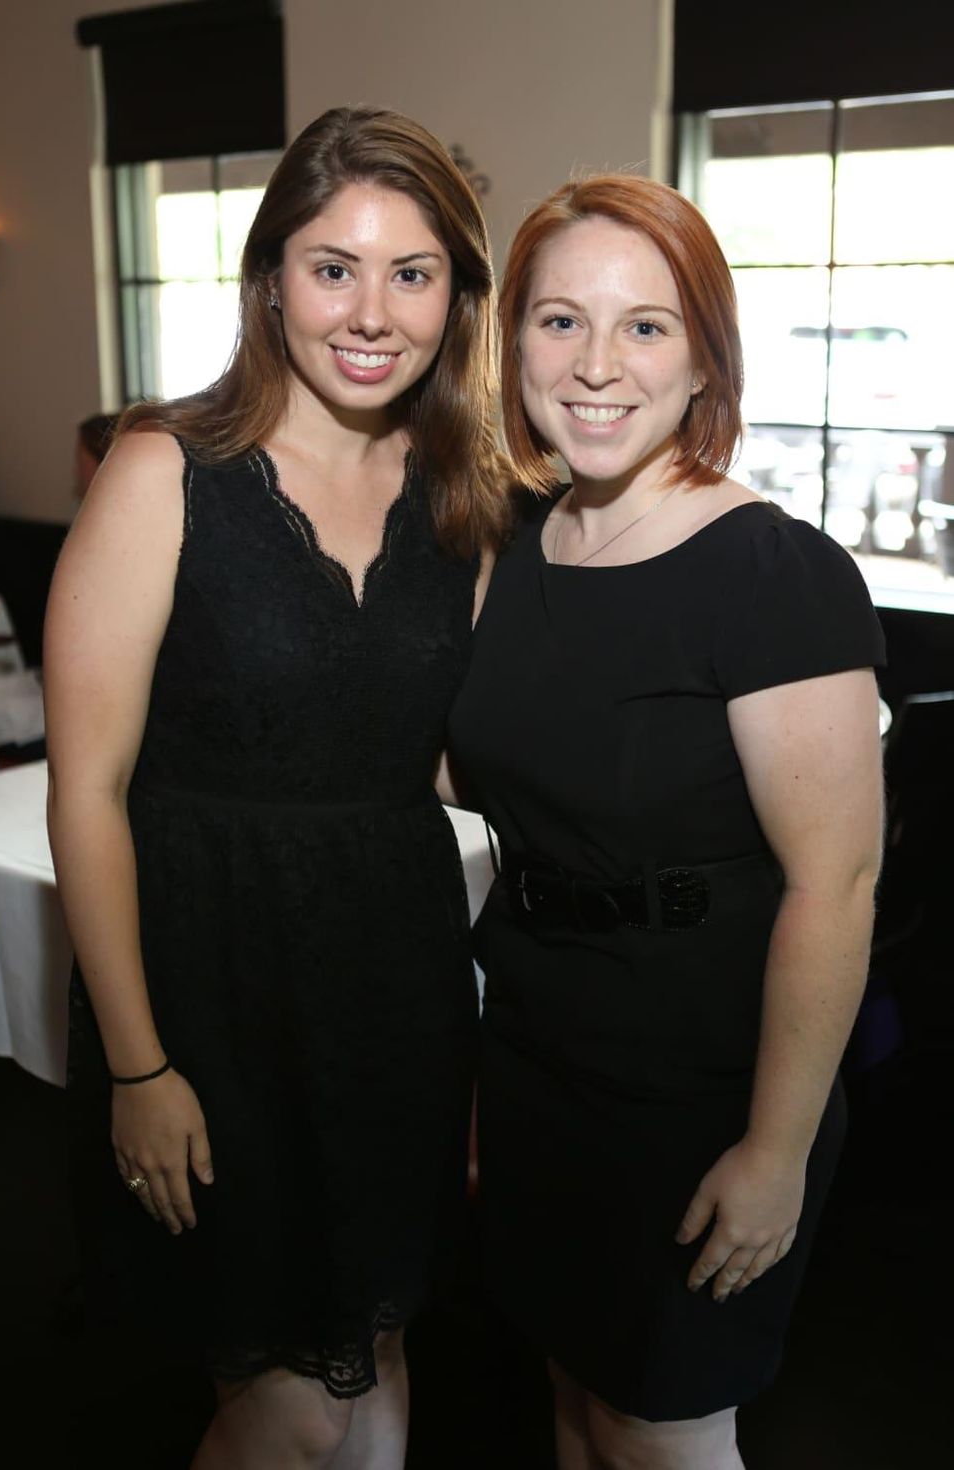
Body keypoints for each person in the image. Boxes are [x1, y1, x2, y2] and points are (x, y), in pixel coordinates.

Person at [45, 106, 511, 1470]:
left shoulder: (463, 498)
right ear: (270, 282)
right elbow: (87, 788)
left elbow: (440, 745)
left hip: (397, 986)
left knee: (376, 1348)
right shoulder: (162, 471)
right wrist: (138, 1063)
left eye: (412, 272)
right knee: (286, 1397)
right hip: (215, 987)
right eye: (333, 266)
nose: (372, 311)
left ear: (455, 297)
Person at [447, 175, 885, 1470]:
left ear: (705, 358)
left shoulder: (776, 576)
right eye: (559, 320)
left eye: (644, 326)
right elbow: (491, 771)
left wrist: (774, 1148)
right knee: (576, 1407)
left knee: (665, 1435)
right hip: (536, 1052)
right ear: (513, 341)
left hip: (700, 1087)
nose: (595, 365)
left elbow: (838, 882)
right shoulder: (522, 551)